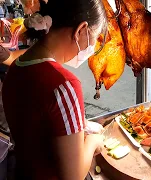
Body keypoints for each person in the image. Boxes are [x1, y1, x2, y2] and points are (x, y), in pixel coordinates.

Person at [2, 0, 106, 179]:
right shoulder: (64, 85)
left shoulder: (16, 67)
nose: (91, 48)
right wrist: (93, 141)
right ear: (81, 30)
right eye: (94, 40)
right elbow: (73, 176)